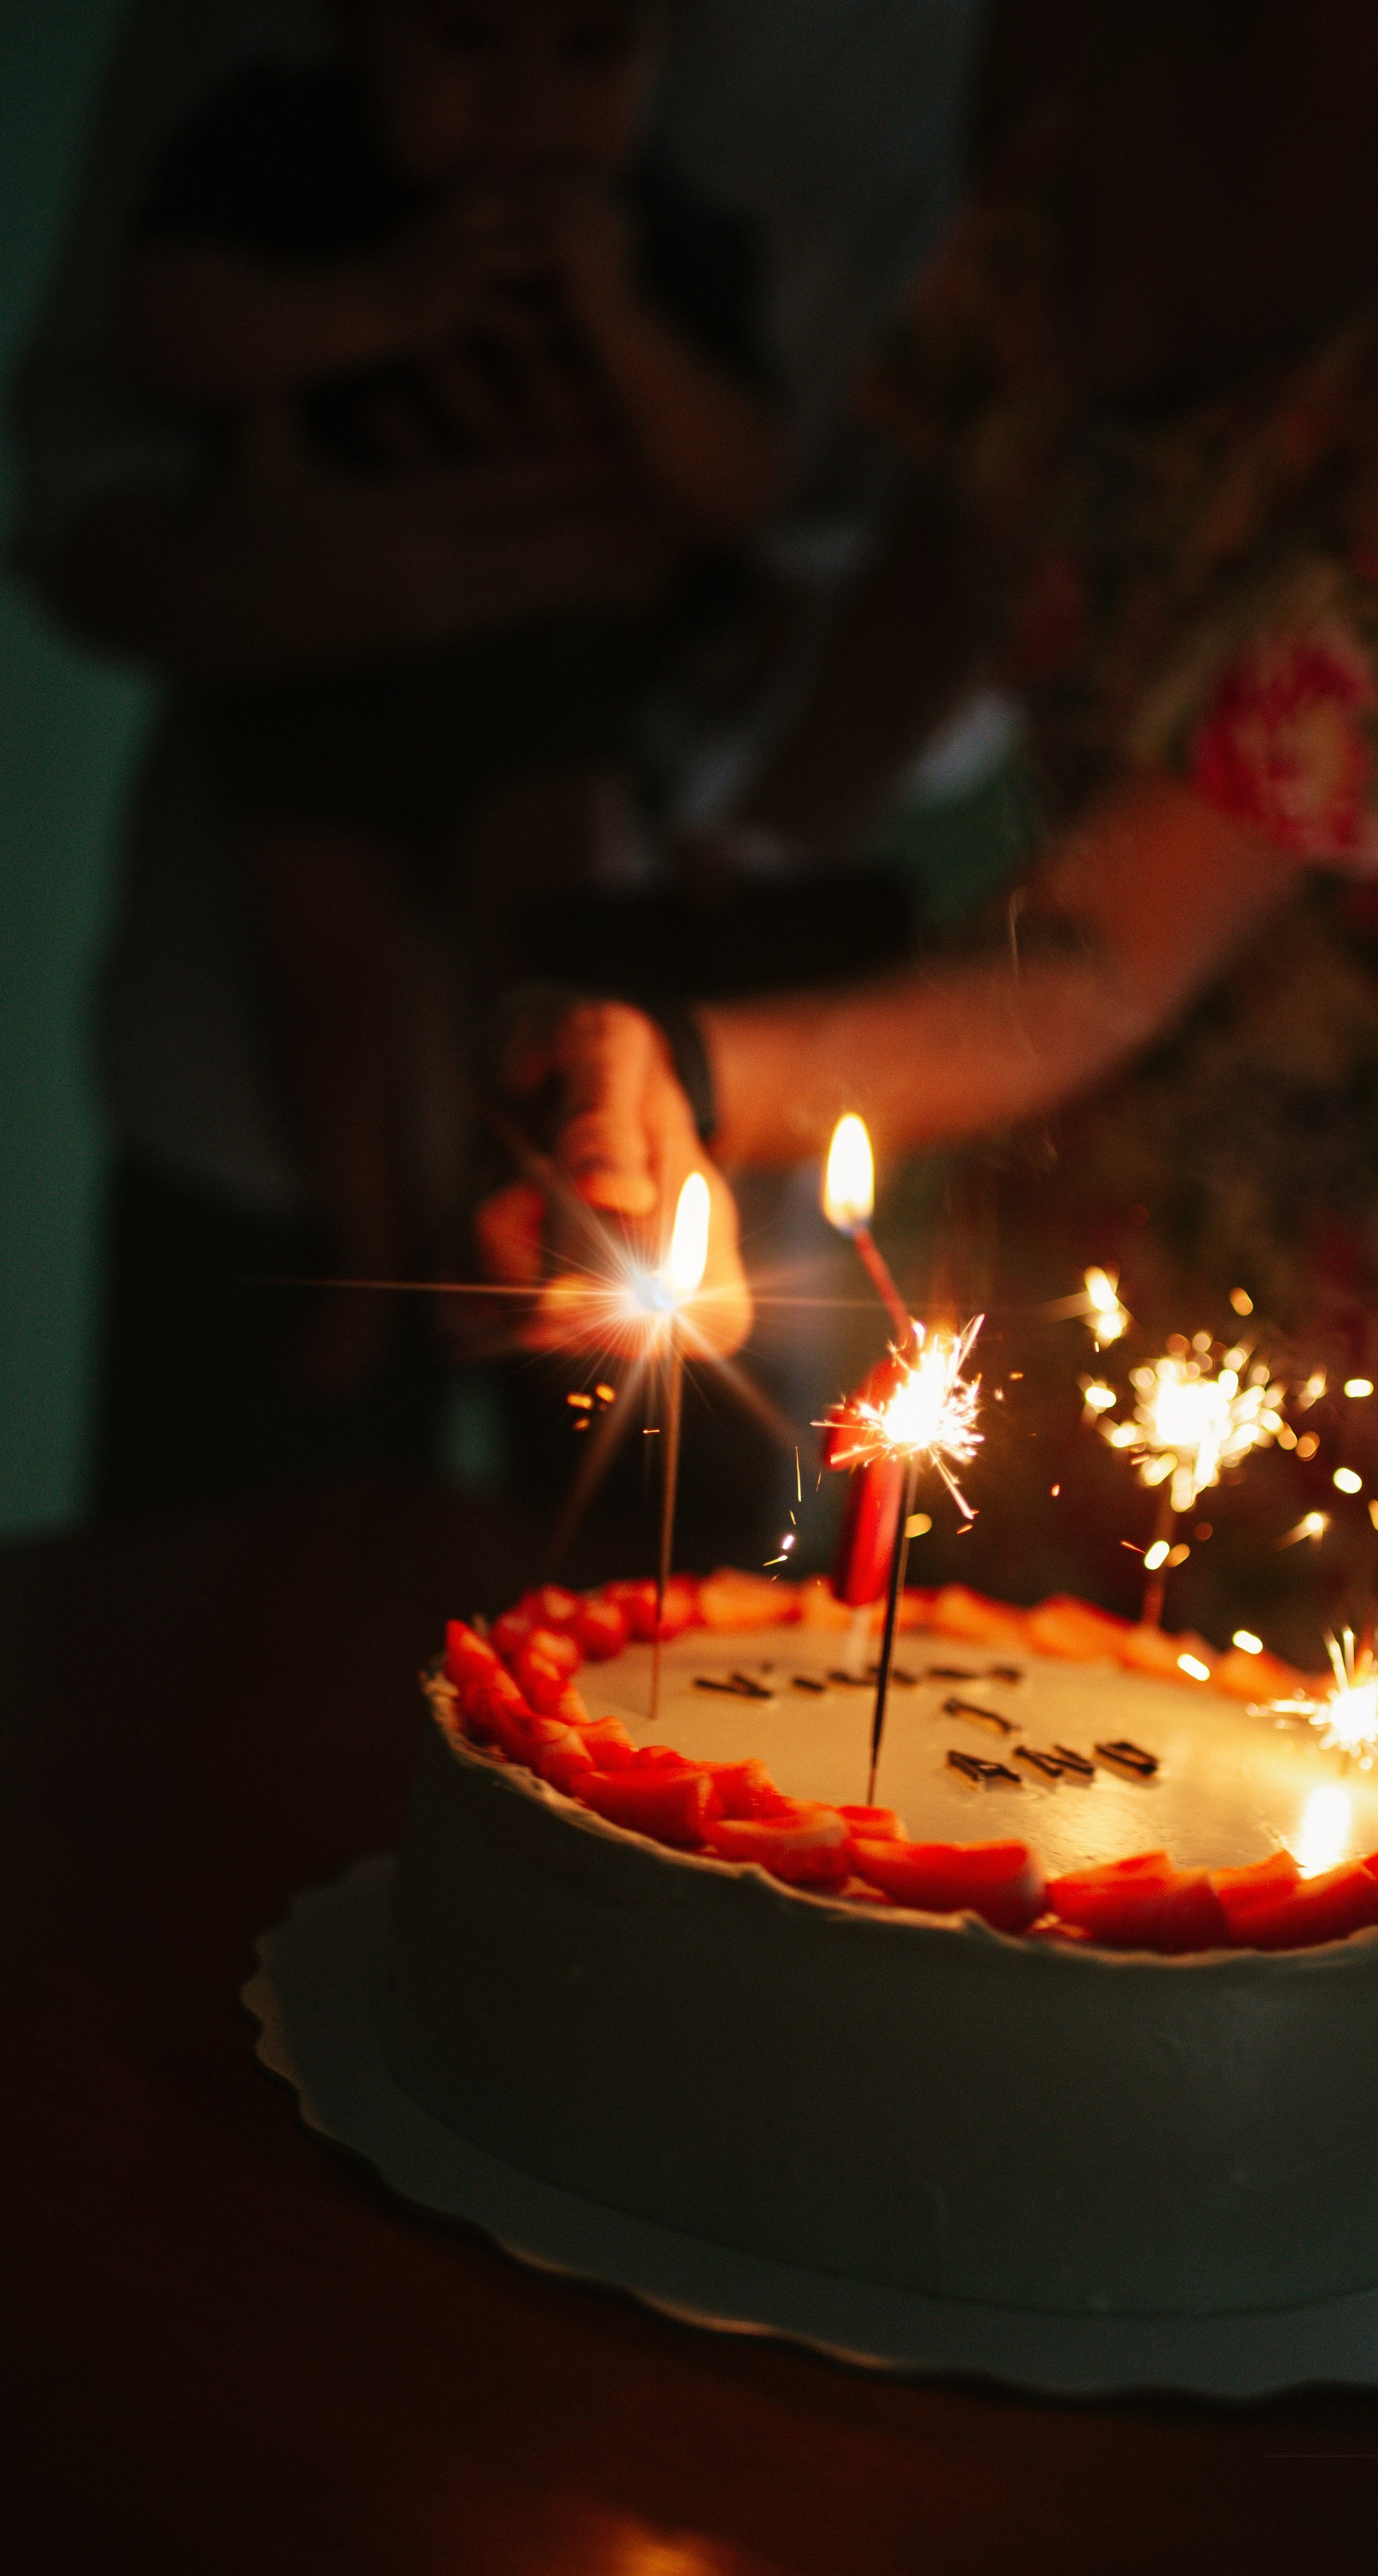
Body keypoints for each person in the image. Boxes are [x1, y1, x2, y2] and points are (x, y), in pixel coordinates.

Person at [482, 0, 1378, 1742]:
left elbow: (1117, 944)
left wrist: (714, 1069)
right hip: (1039, 1135)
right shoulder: (1080, 54)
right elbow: (957, 553)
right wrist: (742, 868)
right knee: (946, 1794)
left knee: (1279, 1894)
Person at [9, 0, 981, 1514]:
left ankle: (532, 1228)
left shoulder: (678, 229)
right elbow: (112, 385)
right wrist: (371, 317)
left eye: (587, 53)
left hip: (573, 727)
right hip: (298, 729)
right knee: (325, 973)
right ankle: (366, 1250)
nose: (523, 101)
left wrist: (612, 330)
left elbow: (793, 496)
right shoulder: (283, 162)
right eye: (467, 42)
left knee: (557, 965)